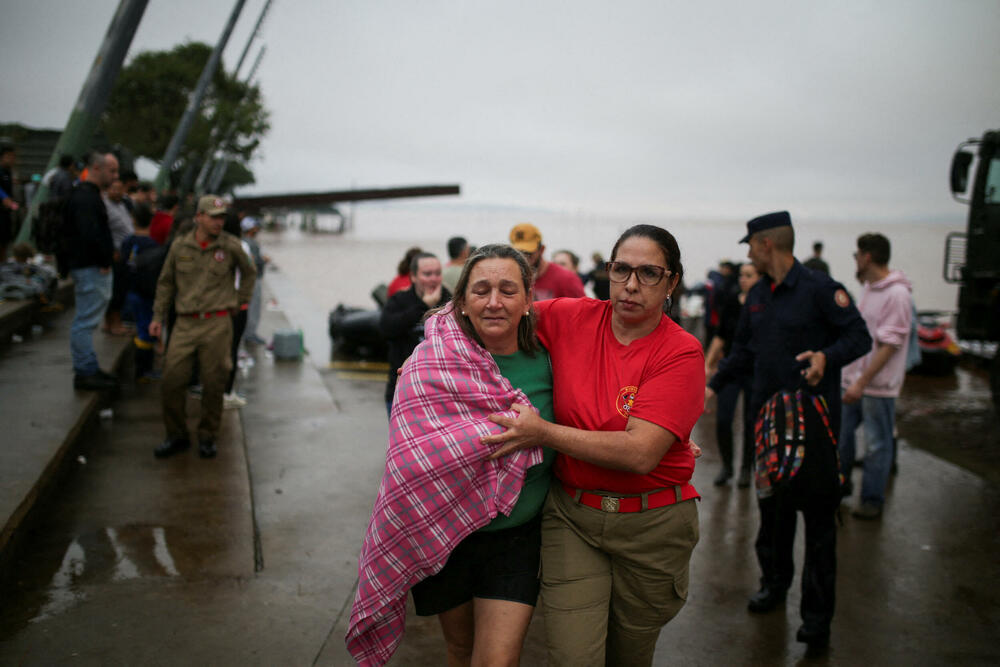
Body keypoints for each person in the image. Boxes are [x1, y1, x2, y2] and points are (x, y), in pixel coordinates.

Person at [484, 224, 704, 666]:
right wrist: (432, 347)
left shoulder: (680, 353)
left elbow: (640, 453)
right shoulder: (571, 317)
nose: (631, 285)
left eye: (649, 273)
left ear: (672, 282)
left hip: (652, 525)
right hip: (574, 517)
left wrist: (542, 432)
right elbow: (501, 310)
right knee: (573, 655)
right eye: (621, 269)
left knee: (629, 655)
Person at [348, 244, 553, 666]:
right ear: (460, 302)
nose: (494, 301)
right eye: (480, 290)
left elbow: (592, 412)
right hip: (441, 532)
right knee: (459, 651)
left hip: (516, 538)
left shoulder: (553, 363)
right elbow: (406, 465)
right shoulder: (426, 364)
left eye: (508, 290)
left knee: (496, 660)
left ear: (528, 301)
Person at [706, 211, 870, 651]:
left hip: (815, 431)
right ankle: (773, 586)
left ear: (765, 245)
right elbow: (742, 353)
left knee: (818, 529)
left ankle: (816, 623)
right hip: (767, 430)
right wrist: (710, 385)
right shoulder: (756, 296)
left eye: (750, 245)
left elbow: (860, 337)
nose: (748, 253)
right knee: (772, 518)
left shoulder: (821, 290)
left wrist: (826, 357)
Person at [149, 195, 255, 460]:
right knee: (172, 379)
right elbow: (165, 283)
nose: (219, 221)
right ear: (199, 217)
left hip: (218, 322)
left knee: (213, 382)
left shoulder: (230, 246)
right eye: (213, 216)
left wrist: (240, 301)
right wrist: (157, 317)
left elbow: (250, 272)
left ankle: (208, 436)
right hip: (185, 322)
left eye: (221, 217)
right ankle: (176, 435)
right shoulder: (180, 246)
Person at [839, 233, 912, 519]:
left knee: (876, 445)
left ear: (867, 257)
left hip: (877, 387)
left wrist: (862, 381)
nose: (855, 261)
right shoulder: (870, 289)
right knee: (842, 440)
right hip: (853, 382)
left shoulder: (897, 294)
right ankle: (840, 488)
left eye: (856, 256)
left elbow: (889, 346)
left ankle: (872, 500)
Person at [62, 150, 120, 391]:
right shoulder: (86, 198)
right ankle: (85, 371)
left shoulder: (85, 195)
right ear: (96, 168)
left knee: (87, 319)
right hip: (90, 267)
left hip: (89, 265)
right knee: (85, 322)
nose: (115, 177)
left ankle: (89, 366)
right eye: (112, 171)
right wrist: (104, 260)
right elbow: (90, 233)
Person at [704, 262, 760, 487]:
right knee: (724, 419)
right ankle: (727, 466)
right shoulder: (732, 301)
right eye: (742, 275)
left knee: (750, 422)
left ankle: (746, 468)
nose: (743, 279)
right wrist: (708, 363)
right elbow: (720, 336)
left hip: (755, 371)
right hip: (731, 368)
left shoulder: (763, 303)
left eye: (749, 275)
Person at [378, 252, 451, 415]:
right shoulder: (399, 300)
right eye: (427, 274)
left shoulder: (448, 301)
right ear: (413, 277)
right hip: (401, 389)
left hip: (440, 393)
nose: (433, 279)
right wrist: (423, 305)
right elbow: (385, 329)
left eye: (437, 274)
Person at [120, 203, 160, 381]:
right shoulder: (153, 245)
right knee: (146, 331)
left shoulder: (127, 242)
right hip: (147, 295)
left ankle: (142, 370)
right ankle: (143, 371)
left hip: (130, 291)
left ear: (133, 220)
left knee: (141, 329)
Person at [509, 223, 585, 300]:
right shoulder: (511, 278)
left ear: (541, 250)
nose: (523, 258)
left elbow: (584, 310)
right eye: (518, 253)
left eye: (528, 253)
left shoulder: (567, 280)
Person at [103, 177, 134, 335]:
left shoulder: (122, 205)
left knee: (120, 289)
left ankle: (110, 322)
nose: (116, 192)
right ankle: (114, 323)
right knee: (117, 290)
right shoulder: (105, 206)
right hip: (115, 253)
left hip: (126, 253)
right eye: (113, 188)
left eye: (119, 189)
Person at [240, 216, 269, 345]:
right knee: (254, 307)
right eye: (256, 227)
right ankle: (250, 334)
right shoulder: (249, 243)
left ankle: (249, 333)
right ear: (251, 228)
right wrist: (264, 260)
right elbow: (252, 262)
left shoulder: (245, 241)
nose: (258, 229)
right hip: (253, 280)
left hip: (250, 279)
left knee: (251, 307)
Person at [0, 144, 16, 262]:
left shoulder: (8, 172)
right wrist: (4, 197)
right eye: (9, 156)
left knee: (4, 242)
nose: (12, 159)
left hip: (5, 214)